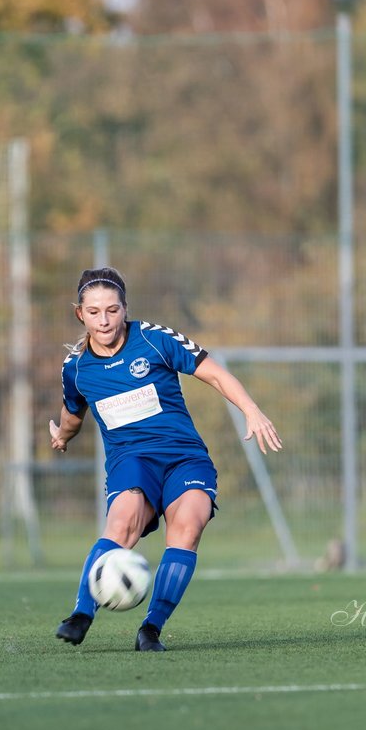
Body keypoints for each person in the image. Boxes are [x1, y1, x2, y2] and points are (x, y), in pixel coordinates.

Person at [50, 267, 281, 651]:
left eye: (112, 309)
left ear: (125, 309)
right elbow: (73, 413)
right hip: (131, 461)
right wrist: (62, 435)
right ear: (80, 314)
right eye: (94, 312)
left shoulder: (154, 340)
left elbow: (216, 375)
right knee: (122, 525)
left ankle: (151, 629)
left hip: (184, 458)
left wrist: (251, 410)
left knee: (188, 527)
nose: (104, 320)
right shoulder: (75, 368)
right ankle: (81, 614)